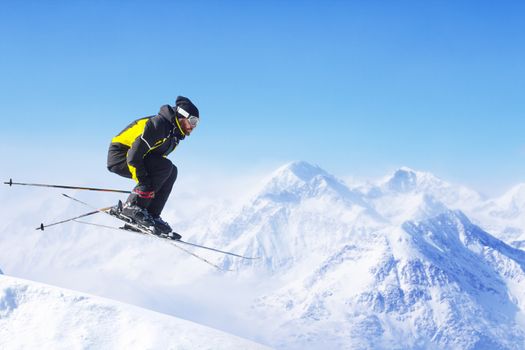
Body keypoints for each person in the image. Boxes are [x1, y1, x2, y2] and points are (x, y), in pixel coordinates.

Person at [106, 96, 199, 238]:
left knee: (172, 171)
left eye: (197, 123)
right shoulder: (159, 125)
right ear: (182, 115)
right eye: (193, 121)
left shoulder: (174, 136)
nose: (194, 126)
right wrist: (144, 183)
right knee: (165, 167)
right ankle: (132, 208)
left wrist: (150, 189)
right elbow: (133, 155)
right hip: (121, 154)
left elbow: (156, 162)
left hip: (137, 157)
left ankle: (151, 214)